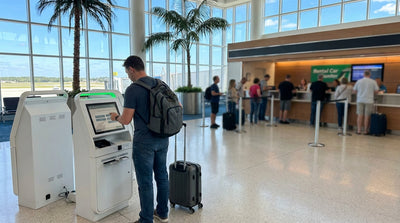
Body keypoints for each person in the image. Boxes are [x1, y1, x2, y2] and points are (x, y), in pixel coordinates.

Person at [110, 55, 169, 223]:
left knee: (145, 182)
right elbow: (178, 106)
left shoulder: (133, 89)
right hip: (163, 138)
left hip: (144, 142)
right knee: (162, 176)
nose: (128, 76)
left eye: (127, 73)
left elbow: (126, 119)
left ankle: (146, 219)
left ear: (131, 69)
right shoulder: (161, 84)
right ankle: (163, 213)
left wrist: (115, 117)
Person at [353, 70, 379, 135]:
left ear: (363, 75)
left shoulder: (359, 81)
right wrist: (371, 93)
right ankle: (365, 131)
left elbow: (354, 91)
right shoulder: (373, 81)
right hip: (369, 100)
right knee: (367, 116)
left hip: (360, 100)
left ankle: (359, 130)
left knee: (359, 115)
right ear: (370, 75)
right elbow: (376, 91)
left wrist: (359, 94)